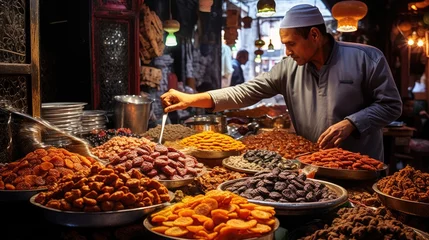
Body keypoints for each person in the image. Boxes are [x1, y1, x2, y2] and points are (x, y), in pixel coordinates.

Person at [161, 4, 402, 161]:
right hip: (311, 165)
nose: (287, 52)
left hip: (360, 165)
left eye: (291, 44)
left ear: (315, 36)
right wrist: (190, 99)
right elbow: (245, 92)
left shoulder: (366, 58)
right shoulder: (288, 68)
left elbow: (391, 106)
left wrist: (352, 122)